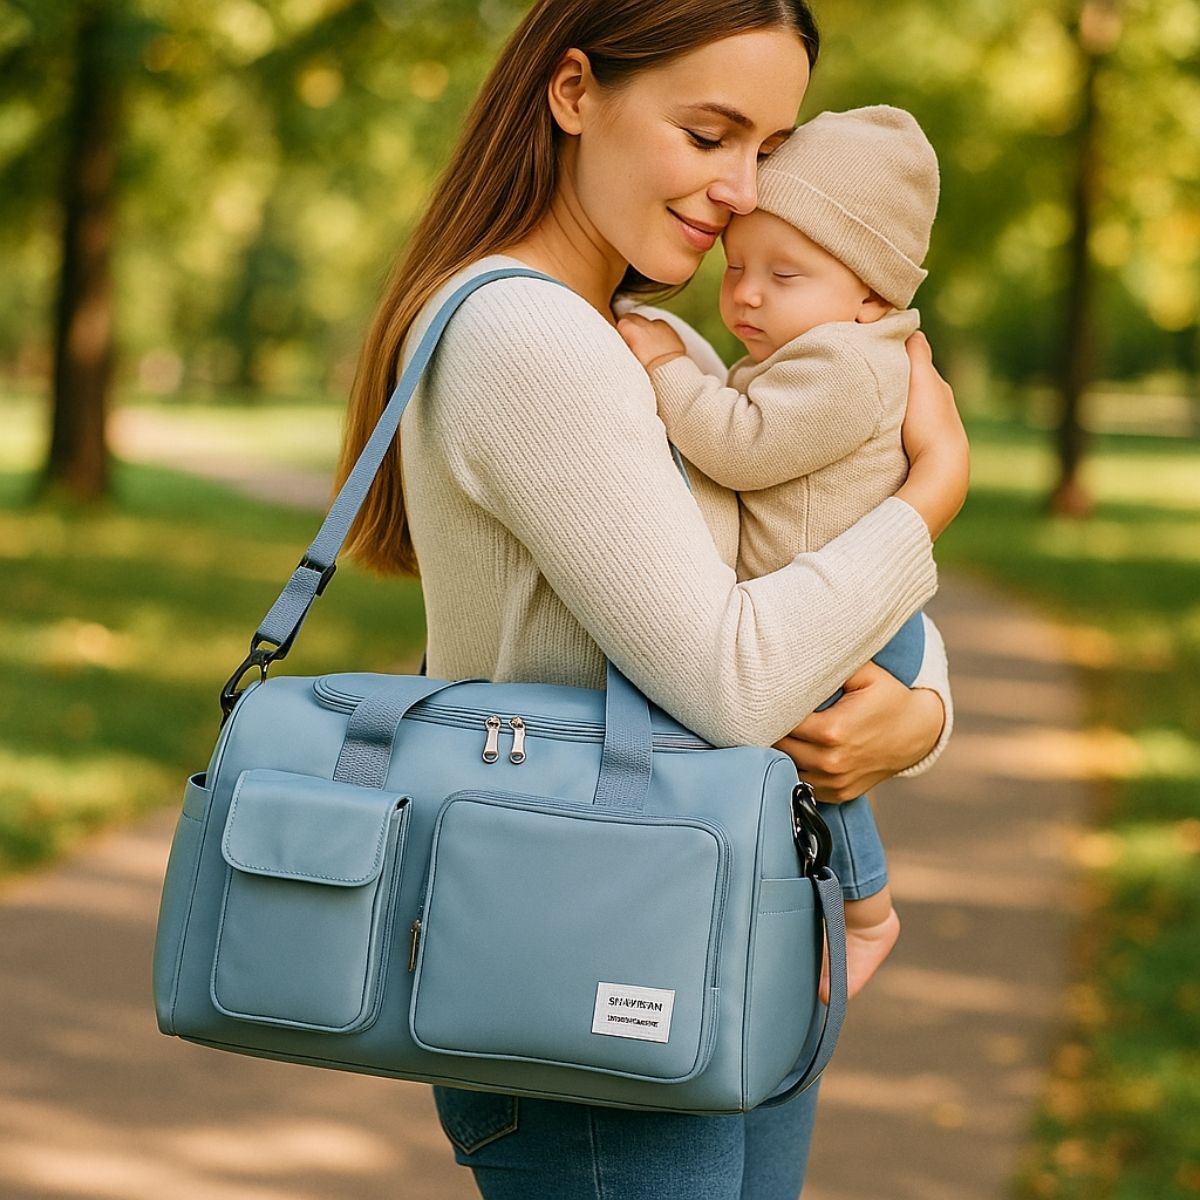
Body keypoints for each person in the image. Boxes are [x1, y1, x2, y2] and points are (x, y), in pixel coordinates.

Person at [334, 2, 969, 1197]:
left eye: (766, 150)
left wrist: (920, 715)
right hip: (590, 947)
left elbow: (791, 576)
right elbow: (734, 677)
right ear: (574, 93)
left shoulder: (640, 336)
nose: (740, 189)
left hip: (724, 916)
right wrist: (932, 496)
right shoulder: (530, 336)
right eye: (709, 133)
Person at [615, 105, 942, 1004]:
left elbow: (741, 444)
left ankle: (866, 914)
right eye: (737, 267)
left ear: (870, 293)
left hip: (842, 625)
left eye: (783, 274)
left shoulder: (847, 365)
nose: (746, 295)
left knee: (821, 780)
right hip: (841, 609)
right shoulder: (830, 346)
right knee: (811, 775)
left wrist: (663, 370)